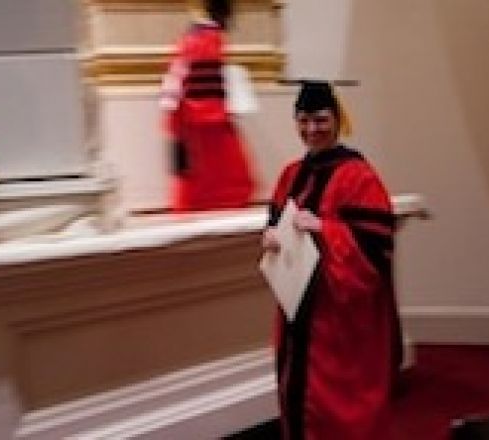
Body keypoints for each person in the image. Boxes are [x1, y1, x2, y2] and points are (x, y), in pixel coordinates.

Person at [261, 81, 403, 439]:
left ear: (338, 119)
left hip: (338, 318)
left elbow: (377, 249)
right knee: (295, 398)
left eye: (321, 120)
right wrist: (271, 238)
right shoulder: (290, 174)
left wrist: (325, 228)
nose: (312, 129)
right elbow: (276, 221)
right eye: (304, 120)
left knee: (338, 410)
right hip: (298, 310)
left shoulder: (358, 175)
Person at [160, 0, 255, 211]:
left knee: (194, 170)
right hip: (206, 114)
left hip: (189, 115)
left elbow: (181, 75)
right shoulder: (209, 39)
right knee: (220, 169)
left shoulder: (192, 37)